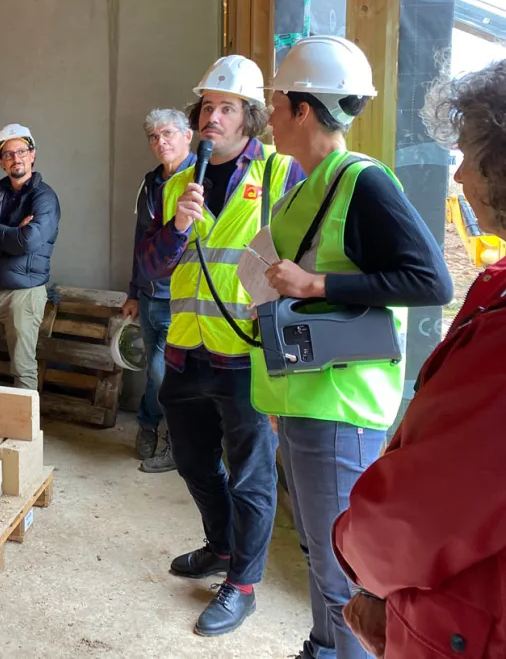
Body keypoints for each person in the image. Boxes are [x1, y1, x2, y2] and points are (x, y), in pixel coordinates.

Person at [257, 36, 452, 659]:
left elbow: (431, 281)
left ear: (303, 110)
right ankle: (323, 649)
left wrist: (316, 283)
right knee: (320, 552)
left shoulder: (362, 182)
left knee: (344, 568)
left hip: (340, 405)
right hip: (307, 395)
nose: (270, 112)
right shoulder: (308, 184)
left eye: (277, 101)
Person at [333, 59, 506, 658]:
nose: (457, 175)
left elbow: (428, 508)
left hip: (467, 624)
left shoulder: (363, 181)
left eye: (470, 154)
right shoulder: (497, 284)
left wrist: (316, 287)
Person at [138, 55, 304, 636]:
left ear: (250, 116)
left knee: (251, 477)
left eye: (226, 107)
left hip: (246, 354)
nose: (212, 116)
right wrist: (178, 227)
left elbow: (306, 261)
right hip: (186, 348)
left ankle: (244, 585)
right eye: (207, 106)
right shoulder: (179, 181)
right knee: (190, 460)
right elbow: (154, 267)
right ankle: (221, 546)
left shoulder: (283, 175)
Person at [0, 124, 60, 421]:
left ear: (32, 155)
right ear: (1, 161)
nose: (16, 158)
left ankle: (22, 432)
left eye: (21, 151)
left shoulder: (44, 198)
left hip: (25, 294)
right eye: (8, 154)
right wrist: (13, 234)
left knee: (23, 366)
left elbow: (30, 241)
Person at [125, 108, 195, 474]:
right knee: (154, 370)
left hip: (182, 297)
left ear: (188, 135)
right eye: (154, 137)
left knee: (162, 373)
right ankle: (148, 424)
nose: (161, 142)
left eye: (168, 133)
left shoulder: (201, 180)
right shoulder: (151, 182)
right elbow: (141, 241)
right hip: (150, 294)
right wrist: (134, 292)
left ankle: (173, 439)